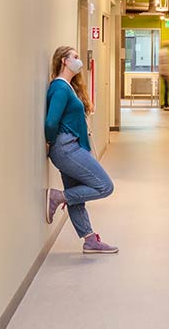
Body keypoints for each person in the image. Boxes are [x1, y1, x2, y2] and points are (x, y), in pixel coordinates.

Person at [43, 45, 119, 254]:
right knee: (105, 186)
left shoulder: (67, 86)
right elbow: (51, 122)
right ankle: (58, 197)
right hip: (67, 149)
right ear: (64, 61)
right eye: (75, 57)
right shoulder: (59, 87)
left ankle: (89, 240)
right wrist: (50, 143)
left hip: (69, 148)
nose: (79, 61)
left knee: (77, 198)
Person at [159, 40, 169, 111]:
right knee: (167, 89)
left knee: (166, 89)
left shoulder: (161, 51)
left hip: (162, 72)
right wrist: (167, 74)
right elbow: (166, 63)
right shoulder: (166, 52)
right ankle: (166, 105)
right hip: (165, 72)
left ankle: (166, 104)